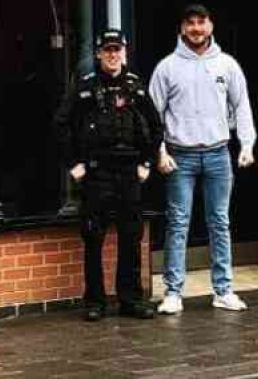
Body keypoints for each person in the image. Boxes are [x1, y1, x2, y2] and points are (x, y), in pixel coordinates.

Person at [149, 4, 256, 314]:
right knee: (178, 224)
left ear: (211, 26)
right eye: (190, 23)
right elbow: (153, 116)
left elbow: (243, 106)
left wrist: (246, 144)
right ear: (182, 28)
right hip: (179, 156)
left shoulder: (227, 65)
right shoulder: (167, 67)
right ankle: (173, 292)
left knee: (219, 223)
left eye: (202, 22)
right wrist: (160, 152)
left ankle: (223, 290)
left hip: (218, 153)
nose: (196, 28)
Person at [53, 28, 162, 322]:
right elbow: (61, 124)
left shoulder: (136, 87)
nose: (113, 55)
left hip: (129, 173)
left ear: (124, 52)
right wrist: (74, 165)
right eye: (107, 50)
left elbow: (156, 127)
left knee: (131, 236)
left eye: (117, 50)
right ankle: (95, 301)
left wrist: (147, 164)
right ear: (99, 53)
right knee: (93, 236)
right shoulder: (85, 86)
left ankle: (130, 300)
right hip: (96, 173)